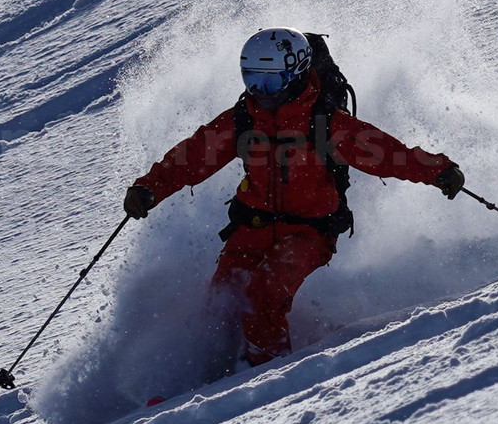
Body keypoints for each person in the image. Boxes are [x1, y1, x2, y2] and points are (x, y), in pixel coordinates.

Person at [124, 27, 464, 367]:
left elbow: (388, 154)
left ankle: (266, 371)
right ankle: (216, 369)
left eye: (270, 82)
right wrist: (150, 188)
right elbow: (193, 156)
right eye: (252, 80)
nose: (260, 91)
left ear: (296, 72)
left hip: (308, 231)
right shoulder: (245, 118)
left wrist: (436, 171)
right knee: (221, 299)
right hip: (252, 226)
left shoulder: (324, 122)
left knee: (263, 294)